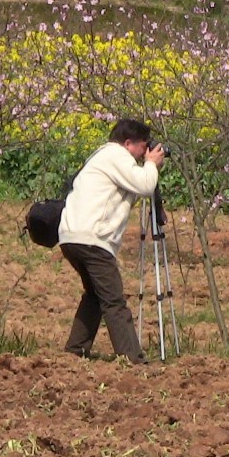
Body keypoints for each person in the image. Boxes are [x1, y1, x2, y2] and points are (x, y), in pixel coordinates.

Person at [58, 119, 166, 364]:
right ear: (128, 143)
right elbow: (146, 185)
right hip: (92, 239)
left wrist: (146, 165)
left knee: (95, 296)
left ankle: (75, 350)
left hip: (72, 236)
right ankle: (132, 359)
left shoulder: (102, 156)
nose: (144, 152)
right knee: (114, 301)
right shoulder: (116, 156)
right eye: (143, 146)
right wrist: (152, 165)